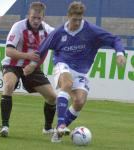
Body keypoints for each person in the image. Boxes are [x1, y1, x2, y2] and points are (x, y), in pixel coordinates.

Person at [25, 1, 126, 142]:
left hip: (81, 72)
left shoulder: (91, 30)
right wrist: (33, 64)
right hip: (62, 65)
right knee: (67, 83)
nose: (77, 23)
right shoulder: (59, 32)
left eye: (80, 19)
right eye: (74, 19)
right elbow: (43, 47)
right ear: (68, 16)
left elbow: (114, 39)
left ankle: (59, 131)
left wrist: (120, 53)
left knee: (79, 101)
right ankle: (60, 123)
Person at [0, 2, 56, 137]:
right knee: (9, 84)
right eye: (33, 18)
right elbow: (8, 51)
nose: (36, 21)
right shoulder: (18, 27)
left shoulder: (48, 30)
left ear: (43, 17)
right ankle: (5, 126)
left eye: (39, 18)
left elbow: (59, 40)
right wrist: (27, 56)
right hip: (13, 64)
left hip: (33, 67)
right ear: (28, 16)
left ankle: (47, 128)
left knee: (52, 97)